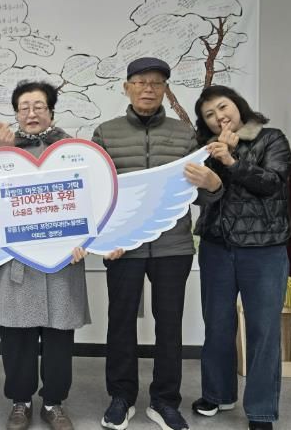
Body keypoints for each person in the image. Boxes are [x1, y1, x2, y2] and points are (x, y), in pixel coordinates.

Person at [92, 57, 222, 430]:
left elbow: (200, 195)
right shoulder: (106, 133)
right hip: (123, 247)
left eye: (156, 83)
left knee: (169, 325)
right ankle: (121, 397)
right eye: (140, 82)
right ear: (127, 88)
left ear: (165, 89)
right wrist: (105, 238)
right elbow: (95, 194)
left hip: (173, 245)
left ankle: (165, 401)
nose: (148, 89)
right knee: (120, 322)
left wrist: (212, 185)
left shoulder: (185, 134)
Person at [0, 81, 90, 430]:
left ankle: (54, 403)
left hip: (62, 260)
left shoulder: (72, 150)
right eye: (24, 107)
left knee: (59, 336)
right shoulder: (0, 152)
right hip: (17, 260)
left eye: (39, 106)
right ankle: (21, 401)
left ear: (51, 111)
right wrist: (0, 154)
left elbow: (90, 199)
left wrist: (85, 239)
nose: (31, 113)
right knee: (17, 336)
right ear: (16, 113)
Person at [186, 85, 291, 430]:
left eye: (223, 107)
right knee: (217, 324)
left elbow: (272, 183)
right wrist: (212, 174)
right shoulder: (205, 149)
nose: (219, 117)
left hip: (264, 250)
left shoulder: (271, 138)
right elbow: (199, 196)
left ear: (237, 105)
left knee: (263, 330)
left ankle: (261, 410)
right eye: (209, 115)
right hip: (217, 247)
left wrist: (232, 161)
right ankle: (217, 394)